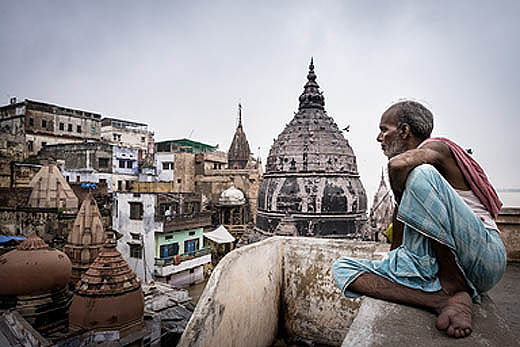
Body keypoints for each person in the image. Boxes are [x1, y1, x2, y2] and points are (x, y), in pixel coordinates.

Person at [332, 100, 506, 338]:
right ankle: (437, 301)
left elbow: (397, 164)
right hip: (432, 266)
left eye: (384, 130)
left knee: (420, 173)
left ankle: (453, 286)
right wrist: (393, 264)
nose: (379, 138)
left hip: (483, 259)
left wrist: (401, 193)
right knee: (341, 268)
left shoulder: (436, 149)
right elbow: (398, 248)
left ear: (404, 131)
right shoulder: (412, 185)